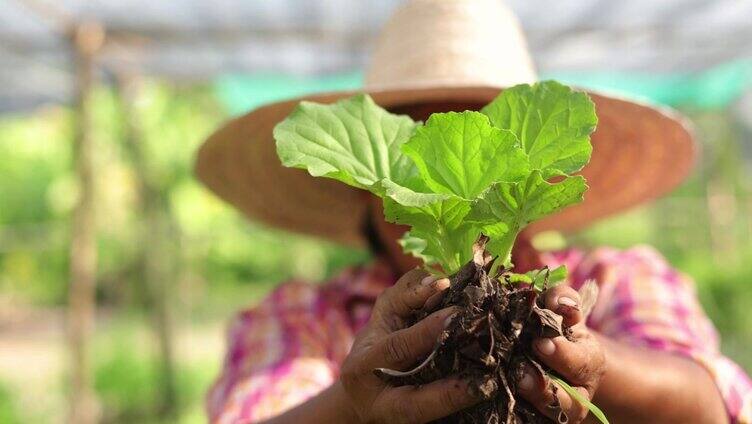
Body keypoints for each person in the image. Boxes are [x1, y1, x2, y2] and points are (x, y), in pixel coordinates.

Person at [195, 1, 752, 423]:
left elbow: (718, 402)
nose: (458, 198)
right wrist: (352, 401)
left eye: (490, 153)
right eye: (417, 161)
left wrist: (597, 367)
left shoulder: (616, 280)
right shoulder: (304, 314)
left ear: (535, 176)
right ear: (369, 190)